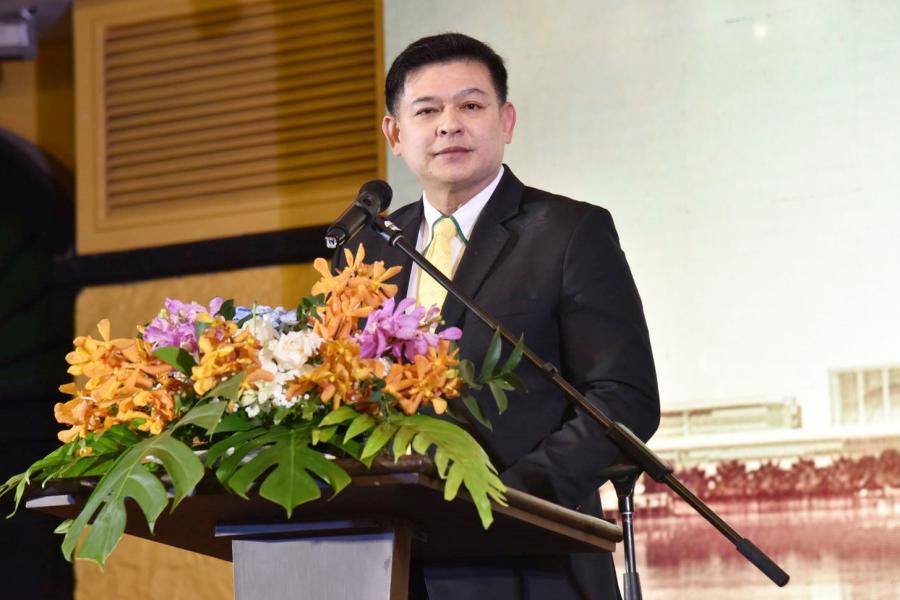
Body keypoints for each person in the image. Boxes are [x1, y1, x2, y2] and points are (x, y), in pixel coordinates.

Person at [351, 33, 660, 600]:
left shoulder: (569, 232)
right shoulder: (367, 250)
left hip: (528, 563)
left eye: (470, 105)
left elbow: (623, 398)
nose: (450, 125)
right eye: (427, 111)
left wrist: (507, 500)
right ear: (394, 133)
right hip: (387, 564)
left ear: (506, 120)